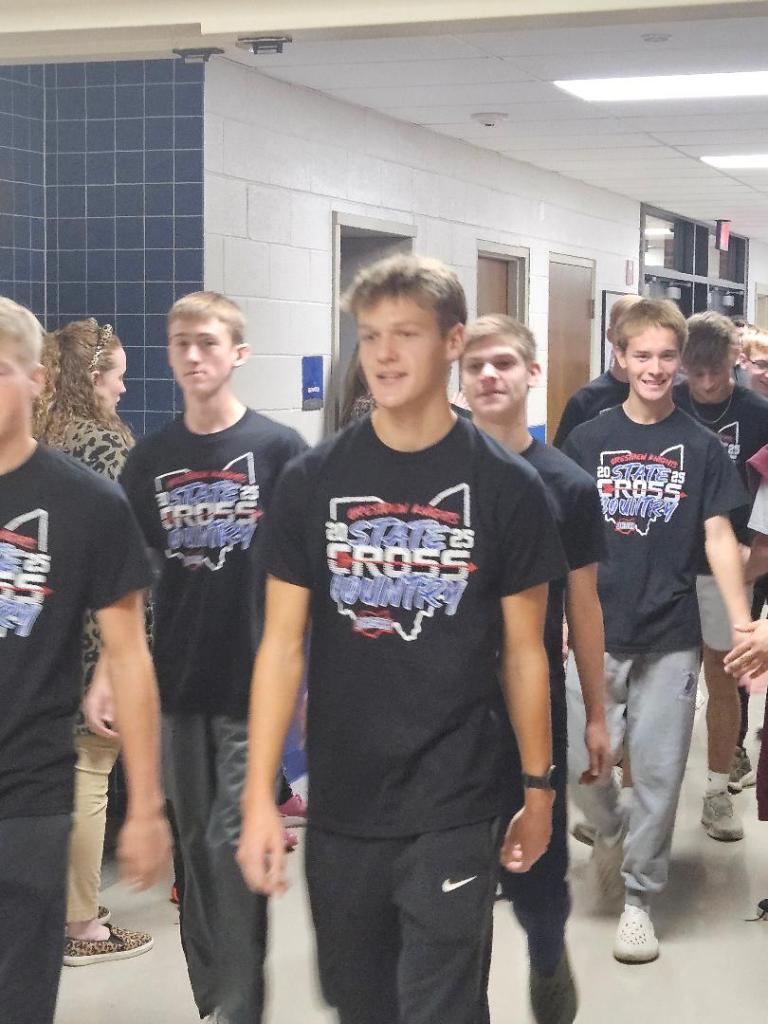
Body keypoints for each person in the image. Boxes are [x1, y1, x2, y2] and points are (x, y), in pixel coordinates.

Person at [237, 254, 567, 1024]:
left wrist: (540, 788)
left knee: (441, 1005)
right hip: (343, 794)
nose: (382, 354)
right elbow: (281, 647)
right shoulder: (312, 480)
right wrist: (258, 795)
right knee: (360, 1003)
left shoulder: (509, 488)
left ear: (452, 341)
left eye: (406, 334)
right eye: (370, 334)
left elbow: (526, 653)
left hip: (456, 792)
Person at [87, 291, 306, 1024]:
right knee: (196, 859)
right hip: (177, 688)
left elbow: (304, 579)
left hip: (252, 686)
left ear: (238, 354)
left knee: (230, 846)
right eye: (181, 342)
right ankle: (215, 1002)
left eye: (208, 342)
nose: (193, 356)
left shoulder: (279, 453)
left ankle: (237, 1008)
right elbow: (129, 585)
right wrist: (103, 676)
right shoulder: (150, 459)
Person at [562, 298, 750, 963]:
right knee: (586, 763)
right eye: (642, 355)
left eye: (667, 356)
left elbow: (720, 534)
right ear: (620, 359)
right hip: (596, 629)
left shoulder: (701, 449)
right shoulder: (588, 440)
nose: (656, 367)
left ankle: (640, 896)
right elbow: (566, 541)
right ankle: (608, 832)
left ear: (680, 361)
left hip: (670, 632)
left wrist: (740, 619)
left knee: (663, 771)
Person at [0, 297, 170, 1024]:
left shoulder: (88, 502)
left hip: (27, 795)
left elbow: (128, 654)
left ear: (38, 378)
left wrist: (151, 806)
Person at [460, 314, 610, 1024]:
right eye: (475, 366)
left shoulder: (568, 486)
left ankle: (548, 957)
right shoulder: (435, 477)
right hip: (447, 708)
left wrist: (599, 713)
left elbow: (582, 607)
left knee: (537, 883)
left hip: (533, 709)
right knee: (453, 893)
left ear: (532, 374)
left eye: (504, 364)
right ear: (459, 381)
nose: (490, 376)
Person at [33, 317, 154, 964]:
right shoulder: (108, 451)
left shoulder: (34, 438)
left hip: (38, 635)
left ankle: (56, 903)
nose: (125, 390)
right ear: (91, 381)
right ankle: (81, 925)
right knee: (90, 773)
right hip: (93, 640)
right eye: (118, 378)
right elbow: (125, 558)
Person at [672, 312, 768, 831]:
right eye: (696, 373)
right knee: (660, 675)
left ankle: (716, 789)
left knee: (722, 675)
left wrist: (750, 570)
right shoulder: (670, 402)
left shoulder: (759, 413)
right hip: (668, 563)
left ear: (735, 358)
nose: (706, 385)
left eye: (716, 372)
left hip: (732, 566)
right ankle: (635, 788)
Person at [552, 293, 642, 449]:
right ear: (610, 335)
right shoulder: (586, 400)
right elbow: (562, 462)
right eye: (625, 329)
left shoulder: (666, 397)